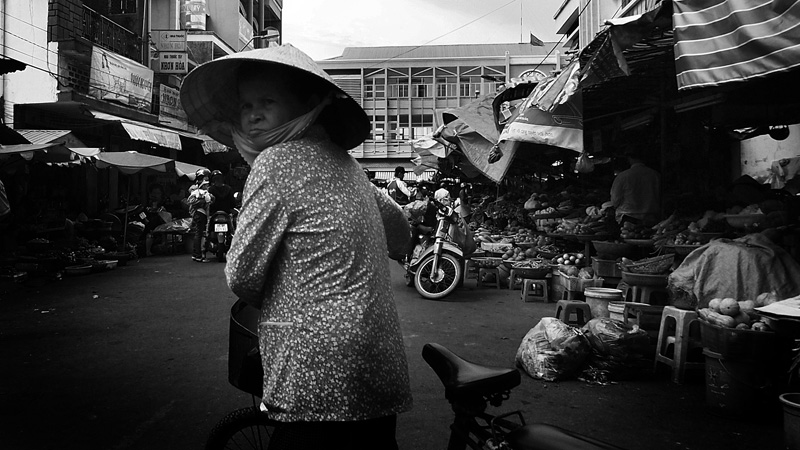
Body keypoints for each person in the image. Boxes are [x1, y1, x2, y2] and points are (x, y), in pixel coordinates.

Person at [180, 44, 413, 449]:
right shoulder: (349, 165)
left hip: (318, 367)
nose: (252, 114)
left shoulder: (275, 162)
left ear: (307, 104)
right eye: (246, 104)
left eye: (267, 101)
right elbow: (401, 232)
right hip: (378, 358)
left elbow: (242, 276)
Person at [610, 148, 661, 226]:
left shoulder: (623, 176)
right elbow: (659, 196)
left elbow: (615, 199)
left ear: (630, 159)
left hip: (628, 216)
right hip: (650, 217)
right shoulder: (655, 175)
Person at [187, 169, 214, 262]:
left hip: (198, 214)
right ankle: (198, 255)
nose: (208, 186)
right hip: (200, 214)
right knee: (199, 234)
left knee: (198, 234)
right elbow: (208, 200)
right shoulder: (200, 192)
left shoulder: (197, 191)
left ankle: (196, 254)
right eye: (206, 184)